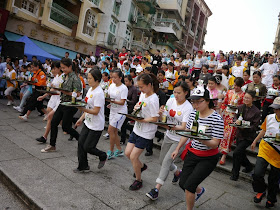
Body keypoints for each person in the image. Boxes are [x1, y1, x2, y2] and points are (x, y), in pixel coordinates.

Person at [171, 86, 224, 210]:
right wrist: (177, 148)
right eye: (193, 102)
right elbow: (188, 132)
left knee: (189, 187)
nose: (195, 105)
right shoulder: (194, 114)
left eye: (198, 101)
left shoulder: (217, 119)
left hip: (208, 158)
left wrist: (200, 138)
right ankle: (199, 190)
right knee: (183, 183)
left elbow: (215, 143)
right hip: (192, 153)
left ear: (207, 100)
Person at [146, 81, 193, 200]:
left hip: (180, 139)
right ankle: (178, 173)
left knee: (166, 161)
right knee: (162, 161)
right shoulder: (171, 100)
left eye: (179, 93)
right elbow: (164, 118)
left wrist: (170, 126)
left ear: (186, 93)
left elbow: (184, 127)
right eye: (174, 92)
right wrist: (161, 114)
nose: (176, 95)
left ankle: (156, 189)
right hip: (168, 136)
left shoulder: (188, 108)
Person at [125, 73, 159, 190]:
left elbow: (155, 118)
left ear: (149, 85)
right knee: (128, 153)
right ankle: (142, 166)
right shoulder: (143, 95)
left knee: (134, 156)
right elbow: (141, 107)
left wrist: (143, 120)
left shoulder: (154, 99)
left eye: (142, 87)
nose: (140, 89)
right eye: (139, 87)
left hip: (146, 132)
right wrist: (136, 110)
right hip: (137, 128)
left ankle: (138, 180)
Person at [41, 58, 82, 152]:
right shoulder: (65, 76)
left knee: (66, 127)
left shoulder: (75, 78)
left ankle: (80, 139)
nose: (62, 70)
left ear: (70, 67)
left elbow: (78, 94)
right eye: (61, 68)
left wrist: (64, 92)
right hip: (63, 102)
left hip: (70, 105)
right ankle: (52, 145)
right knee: (54, 122)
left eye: (64, 68)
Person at [73, 69, 107, 173]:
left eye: (90, 78)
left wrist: (83, 109)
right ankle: (83, 166)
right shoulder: (91, 89)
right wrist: (81, 118)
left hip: (96, 125)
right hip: (88, 122)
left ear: (97, 80)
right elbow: (88, 106)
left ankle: (103, 155)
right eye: (87, 78)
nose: (88, 80)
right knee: (81, 143)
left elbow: (96, 111)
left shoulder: (99, 93)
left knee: (88, 147)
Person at [251, 97, 280, 208]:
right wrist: (255, 141)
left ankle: (271, 198)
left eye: (278, 109)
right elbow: (264, 130)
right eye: (274, 108)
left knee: (273, 179)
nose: (275, 111)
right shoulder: (270, 117)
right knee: (257, 173)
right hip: (265, 148)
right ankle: (260, 190)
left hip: (278, 154)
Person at [230, 90, 261, 181]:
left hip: (249, 136)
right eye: (245, 97)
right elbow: (235, 116)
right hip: (239, 134)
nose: (246, 99)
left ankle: (235, 174)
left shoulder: (257, 112)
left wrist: (245, 126)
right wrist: (236, 121)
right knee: (241, 153)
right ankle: (248, 166)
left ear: (253, 99)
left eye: (248, 98)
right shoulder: (240, 107)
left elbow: (254, 126)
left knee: (236, 153)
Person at [35, 61, 64, 143]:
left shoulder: (63, 77)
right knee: (49, 112)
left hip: (59, 98)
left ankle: (45, 137)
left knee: (50, 116)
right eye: (52, 68)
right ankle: (65, 127)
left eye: (54, 68)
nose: (53, 70)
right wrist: (43, 96)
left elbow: (60, 90)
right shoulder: (56, 76)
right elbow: (52, 89)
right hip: (53, 97)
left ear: (59, 68)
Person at [219, 77, 245, 165]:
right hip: (226, 115)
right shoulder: (229, 92)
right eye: (235, 85)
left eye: (237, 86)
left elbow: (242, 107)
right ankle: (219, 150)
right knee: (222, 133)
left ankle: (224, 154)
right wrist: (222, 109)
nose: (236, 87)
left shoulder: (243, 95)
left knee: (229, 135)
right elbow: (225, 102)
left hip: (234, 116)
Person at [106, 69, 128, 159]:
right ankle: (119, 150)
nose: (113, 79)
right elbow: (108, 96)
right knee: (114, 131)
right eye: (112, 77)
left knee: (110, 130)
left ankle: (111, 151)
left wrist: (113, 101)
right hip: (113, 110)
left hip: (120, 112)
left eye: (115, 77)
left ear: (120, 78)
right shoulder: (111, 85)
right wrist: (110, 103)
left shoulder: (123, 88)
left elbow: (122, 102)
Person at [120, 75, 138, 144]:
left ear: (130, 81)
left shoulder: (134, 89)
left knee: (123, 123)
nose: (125, 82)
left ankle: (123, 139)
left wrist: (126, 101)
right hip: (124, 107)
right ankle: (130, 129)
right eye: (124, 81)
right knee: (123, 123)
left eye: (127, 81)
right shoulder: (125, 88)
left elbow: (134, 101)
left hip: (130, 108)